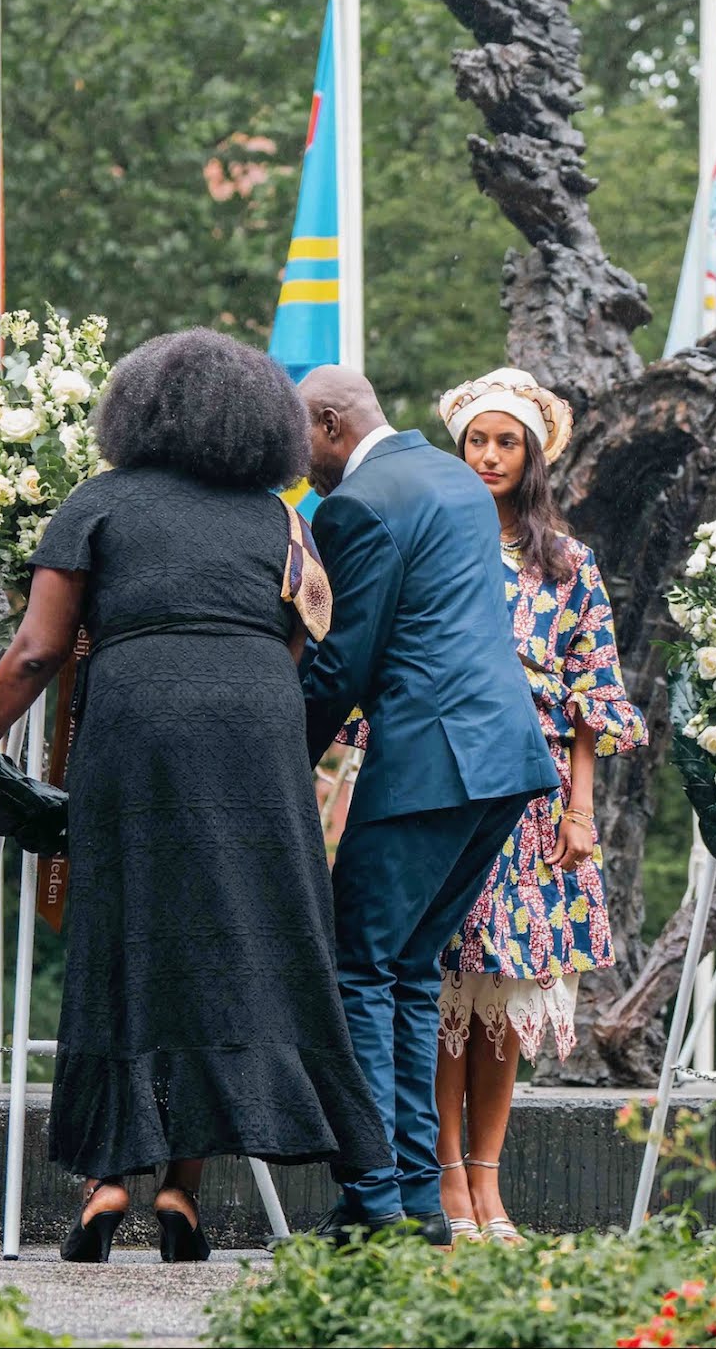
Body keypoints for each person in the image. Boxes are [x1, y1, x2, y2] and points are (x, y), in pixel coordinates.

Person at [0, 329, 388, 1263]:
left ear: (135, 413)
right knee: (229, 940)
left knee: (124, 934)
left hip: (139, 721)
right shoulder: (280, 516)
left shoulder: (96, 504)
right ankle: (182, 1188)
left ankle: (104, 1188)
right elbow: (302, 644)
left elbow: (34, 652)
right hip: (256, 728)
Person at [297, 364, 559, 1246]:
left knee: (358, 968)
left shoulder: (358, 504)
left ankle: (374, 1198)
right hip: (505, 761)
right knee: (409, 973)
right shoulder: (450, 479)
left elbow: (345, 663)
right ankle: (417, 1200)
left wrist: (276, 757)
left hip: (428, 765)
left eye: (303, 440)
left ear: (331, 422)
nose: (301, 464)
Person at [428, 367, 648, 1244]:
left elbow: (597, 695)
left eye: (504, 442)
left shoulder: (569, 563)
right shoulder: (437, 542)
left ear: (532, 455)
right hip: (447, 785)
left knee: (509, 997)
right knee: (448, 987)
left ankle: (490, 1182)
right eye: (476, 440)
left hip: (539, 793)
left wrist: (580, 812)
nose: (488, 456)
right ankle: (445, 1177)